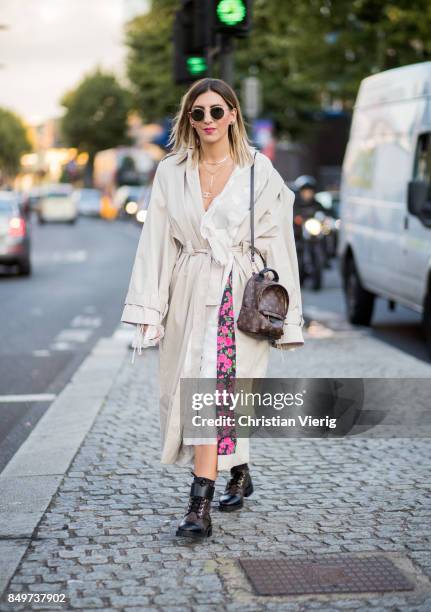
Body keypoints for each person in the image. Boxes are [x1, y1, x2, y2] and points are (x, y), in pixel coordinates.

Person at [120, 78, 305, 540]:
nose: (207, 120)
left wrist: (289, 318)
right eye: (197, 112)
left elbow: (280, 246)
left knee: (219, 391)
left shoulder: (259, 172)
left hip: (240, 295)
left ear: (233, 116)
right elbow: (156, 242)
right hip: (189, 291)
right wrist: (150, 309)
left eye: (216, 111)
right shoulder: (171, 171)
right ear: (187, 119)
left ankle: (198, 503)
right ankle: (238, 469)